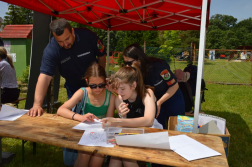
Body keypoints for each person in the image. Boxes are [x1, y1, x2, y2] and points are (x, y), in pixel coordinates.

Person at [27, 18, 106, 117]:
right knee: (76, 116)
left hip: (94, 84)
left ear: (72, 31)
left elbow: (102, 54)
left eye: (67, 39)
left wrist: (101, 78)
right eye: (60, 41)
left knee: (98, 114)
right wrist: (37, 105)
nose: (65, 44)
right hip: (73, 85)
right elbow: (45, 77)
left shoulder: (88, 36)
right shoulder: (51, 50)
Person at [57, 62, 115, 167]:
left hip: (101, 134)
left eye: (101, 85)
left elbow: (110, 120)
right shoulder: (82, 92)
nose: (98, 89)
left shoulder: (110, 96)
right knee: (84, 154)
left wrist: (106, 122)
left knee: (99, 157)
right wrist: (81, 117)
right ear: (87, 81)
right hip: (83, 133)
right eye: (93, 86)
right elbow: (61, 110)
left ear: (105, 81)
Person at [101, 65, 157, 167]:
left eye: (122, 88)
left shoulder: (147, 93)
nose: (119, 92)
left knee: (126, 158)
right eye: (117, 88)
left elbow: (149, 121)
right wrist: (122, 116)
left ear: (134, 85)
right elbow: (124, 126)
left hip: (150, 133)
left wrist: (118, 121)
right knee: (115, 157)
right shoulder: (119, 99)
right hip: (130, 133)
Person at [122, 44, 185, 129]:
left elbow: (174, 85)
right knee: (158, 128)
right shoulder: (135, 72)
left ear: (139, 60)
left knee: (178, 129)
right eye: (125, 63)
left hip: (172, 98)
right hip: (155, 101)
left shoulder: (159, 67)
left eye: (129, 63)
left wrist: (159, 102)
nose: (127, 66)